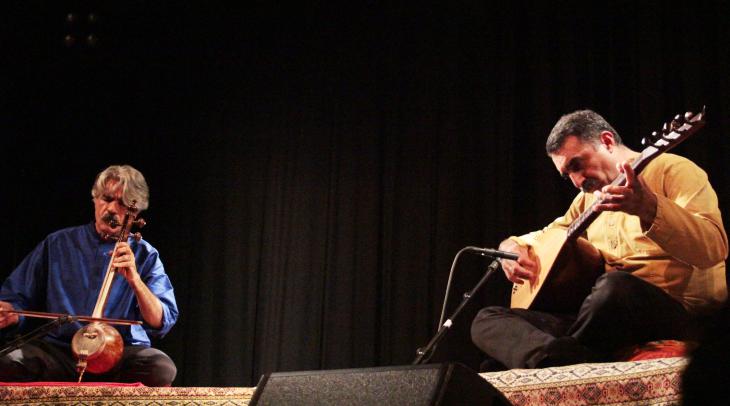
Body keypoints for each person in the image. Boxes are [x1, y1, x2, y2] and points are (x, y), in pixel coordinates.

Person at [471, 110, 727, 370]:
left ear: (606, 141)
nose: (576, 181)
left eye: (577, 165)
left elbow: (713, 249)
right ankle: (563, 358)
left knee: (614, 287)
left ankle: (554, 359)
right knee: (487, 320)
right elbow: (547, 235)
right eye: (567, 174)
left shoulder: (672, 169)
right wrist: (511, 248)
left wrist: (648, 207)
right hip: (605, 316)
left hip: (676, 312)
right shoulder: (588, 200)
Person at [0, 165, 178, 386]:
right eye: (106, 198)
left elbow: (161, 320)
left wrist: (135, 280)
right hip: (62, 351)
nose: (111, 208)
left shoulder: (144, 255)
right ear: (95, 199)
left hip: (119, 353)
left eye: (122, 203)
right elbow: (15, 298)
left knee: (160, 368)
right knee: (9, 362)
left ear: (136, 213)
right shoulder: (57, 244)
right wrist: (10, 313)